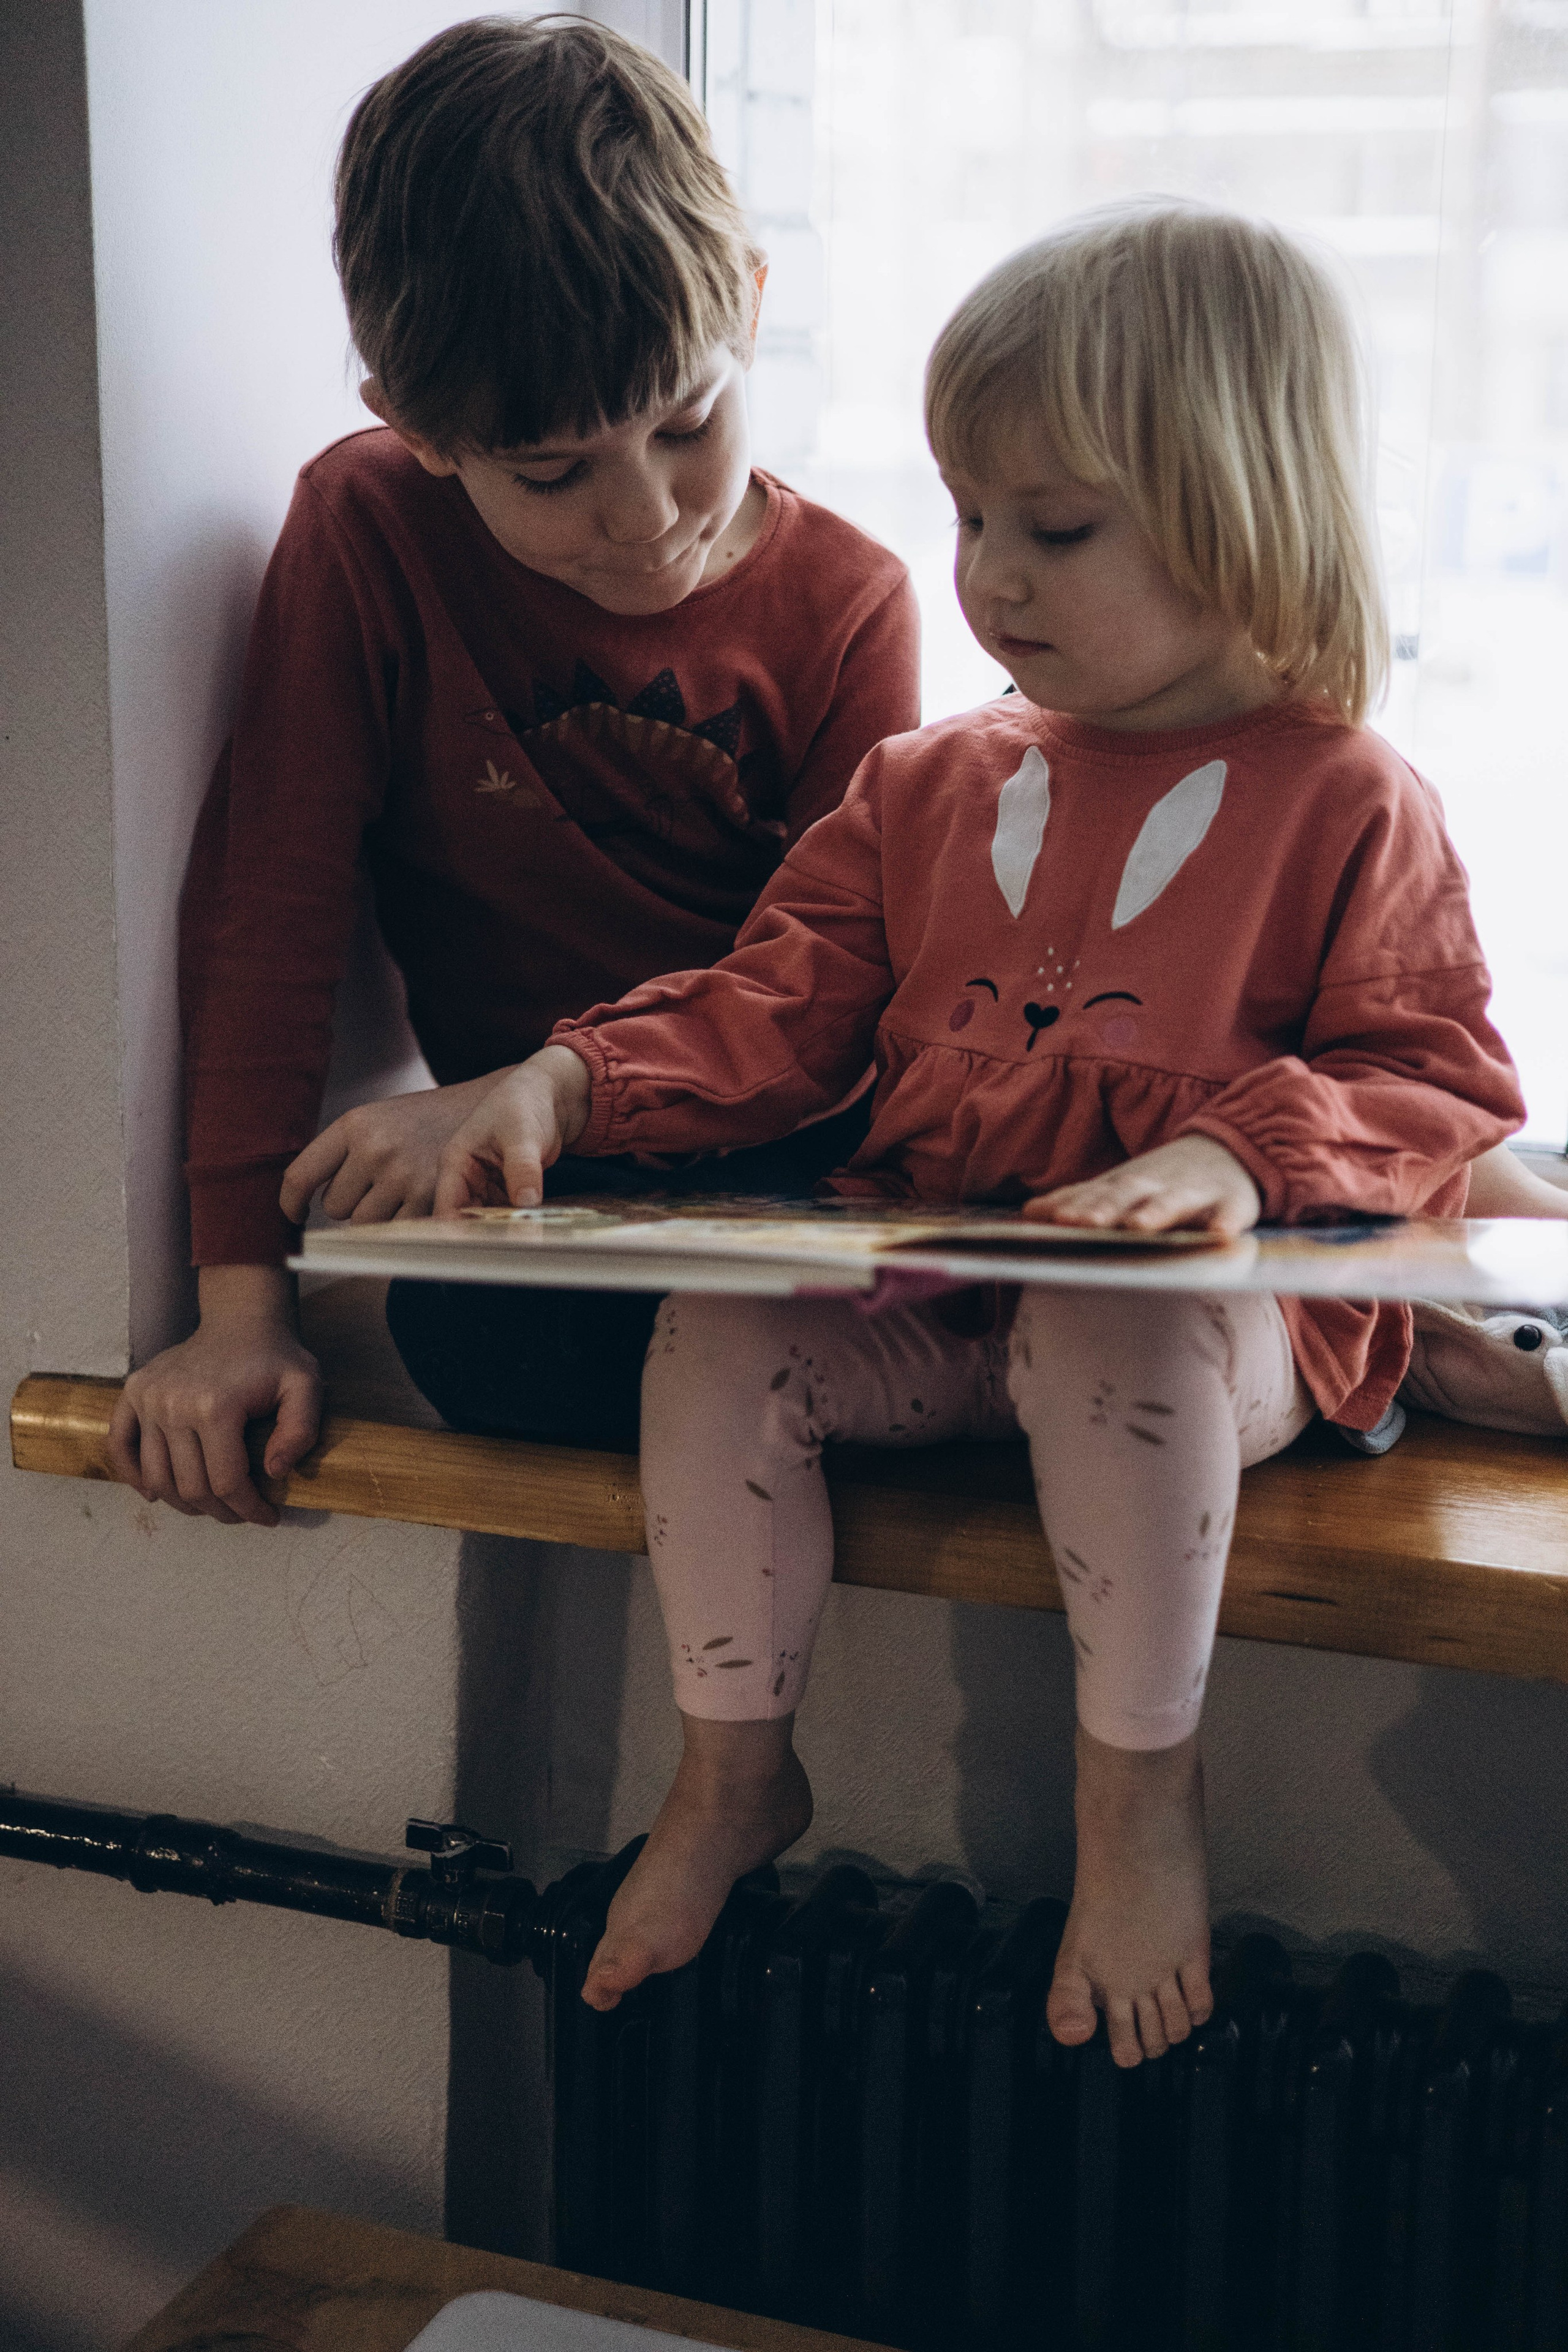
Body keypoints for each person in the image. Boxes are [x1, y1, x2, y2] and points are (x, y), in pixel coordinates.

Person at [428, 203, 1525, 2065]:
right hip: (941, 1277)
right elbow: (775, 1002)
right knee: (720, 1331)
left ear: (1241, 510)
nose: (989, 576)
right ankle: (732, 1773)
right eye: (967, 516)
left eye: (1057, 528)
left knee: (1119, 1324)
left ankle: (1137, 1809)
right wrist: (567, 1082)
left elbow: (1440, 1082)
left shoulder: (1347, 800)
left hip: (1213, 1329)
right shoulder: (926, 785)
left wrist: (1236, 1161)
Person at [106, 16, 918, 1520]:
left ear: (747, 306)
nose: (646, 516)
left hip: (769, 1141)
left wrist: (553, 1090)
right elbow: (268, 911)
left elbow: (838, 996)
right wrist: (239, 1312)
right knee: (467, 1338)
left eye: (688, 424)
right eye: (552, 474)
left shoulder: (848, 599)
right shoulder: (363, 533)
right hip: (548, 1198)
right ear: (414, 432)